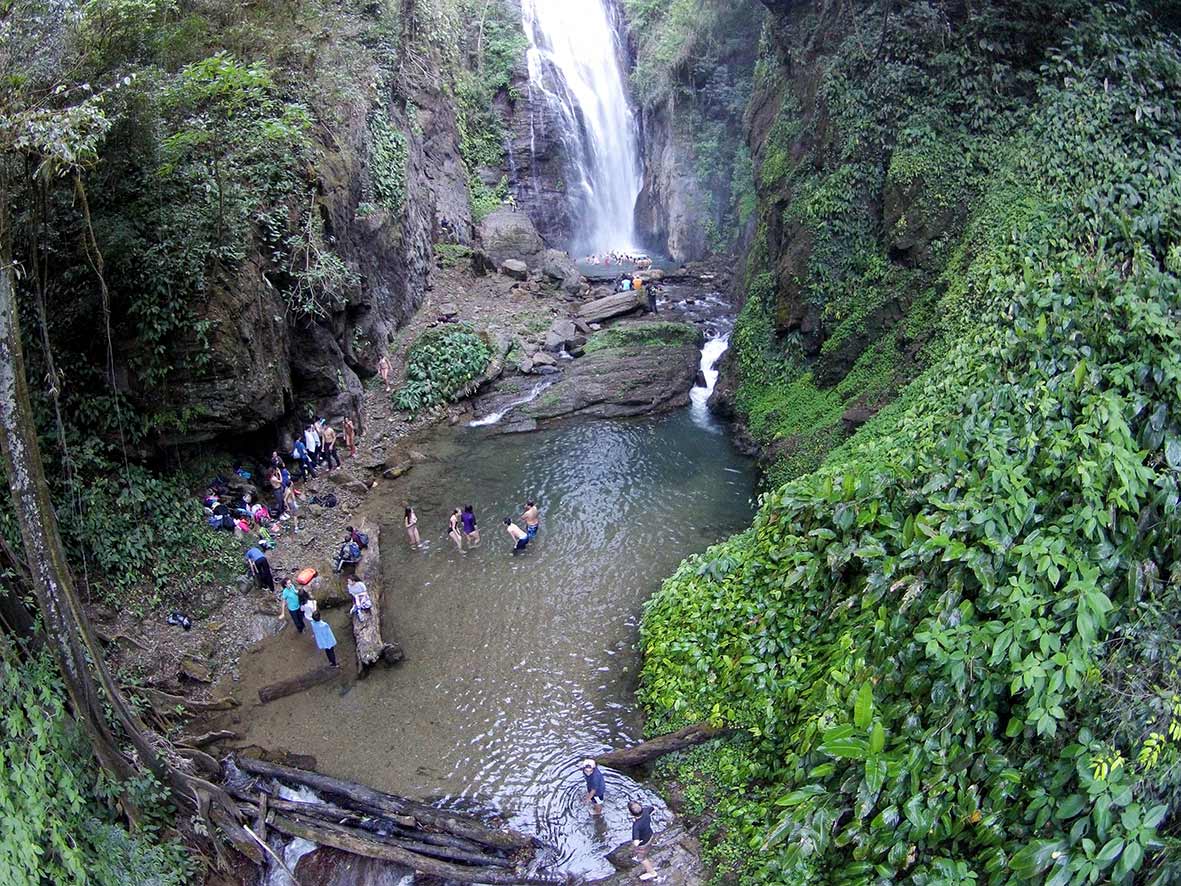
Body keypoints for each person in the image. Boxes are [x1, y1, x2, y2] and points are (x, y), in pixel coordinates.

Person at [628, 800, 657, 881]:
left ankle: (652, 873)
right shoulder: (645, 810)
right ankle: (636, 854)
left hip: (643, 842)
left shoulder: (636, 826)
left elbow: (636, 842)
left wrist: (633, 846)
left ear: (631, 813)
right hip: (650, 834)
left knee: (642, 859)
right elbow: (653, 809)